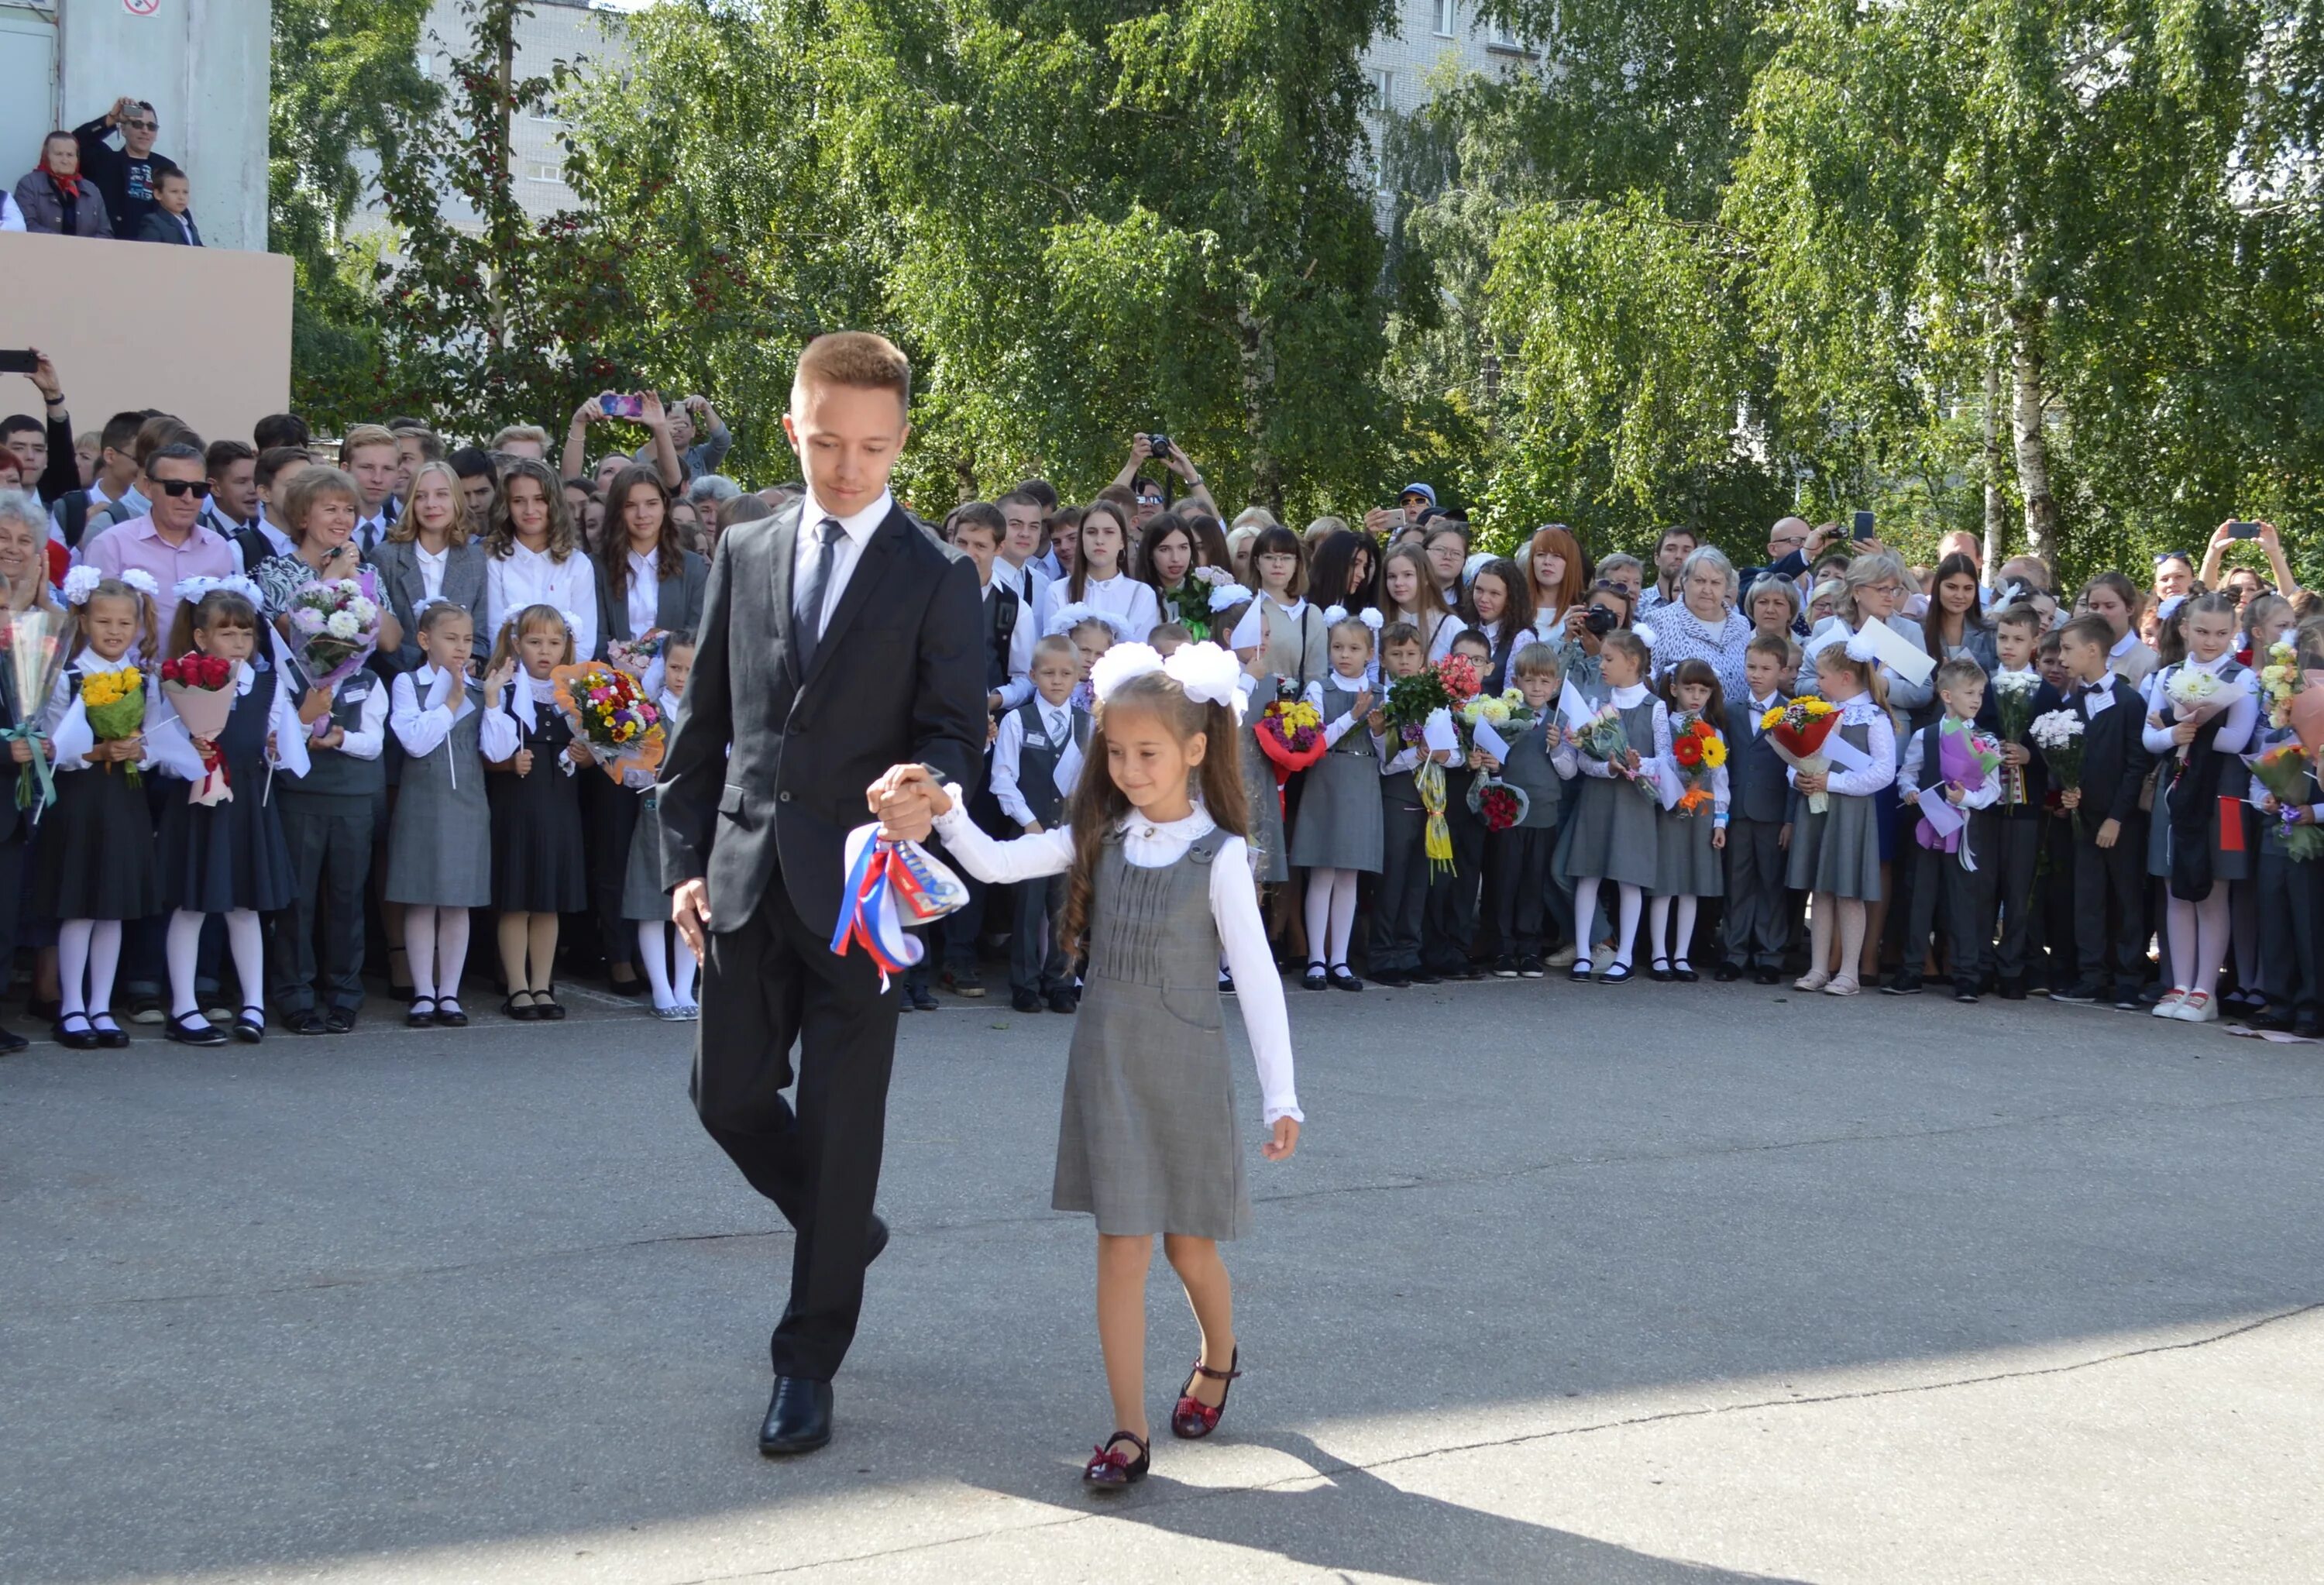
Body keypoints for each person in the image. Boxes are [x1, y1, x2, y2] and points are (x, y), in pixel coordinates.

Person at [658, 329, 986, 1458]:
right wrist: (683, 863)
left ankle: (805, 1363)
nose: (850, 467)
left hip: (863, 897)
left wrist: (928, 788)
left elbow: (955, 731)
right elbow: (704, 731)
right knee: (725, 1097)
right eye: (830, 441)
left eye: (875, 447)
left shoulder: (938, 573)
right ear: (793, 426)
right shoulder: (743, 550)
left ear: (902, 442)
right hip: (745, 880)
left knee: (845, 1134)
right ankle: (842, 1230)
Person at [875, 641, 1300, 1489]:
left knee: (1189, 1250)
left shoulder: (1218, 855)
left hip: (1183, 1067)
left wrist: (1280, 1096)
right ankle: (1127, 1430)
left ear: (1193, 749)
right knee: (1120, 1248)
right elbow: (996, 865)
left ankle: (1219, 1354)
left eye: (1148, 753)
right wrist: (947, 808)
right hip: (1107, 1064)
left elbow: (1255, 977)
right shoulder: (1097, 836)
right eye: (1116, 752)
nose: (1131, 768)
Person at [145, 583, 310, 1045]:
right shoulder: (182, 682)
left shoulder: (269, 683)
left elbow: (285, 749)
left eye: (246, 634)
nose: (239, 643)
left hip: (246, 803)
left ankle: (253, 1004)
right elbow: (157, 745)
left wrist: (276, 749)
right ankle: (183, 1007)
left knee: (245, 905)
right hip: (198, 804)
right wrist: (191, 751)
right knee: (191, 904)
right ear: (201, 638)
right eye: (227, 633)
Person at [38, 570, 163, 1048]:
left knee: (113, 907)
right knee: (81, 906)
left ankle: (101, 1006)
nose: (114, 631)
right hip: (81, 800)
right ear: (84, 621)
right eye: (104, 621)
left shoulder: (143, 680)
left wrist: (139, 750)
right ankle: (71, 1007)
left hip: (125, 799)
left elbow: (157, 740)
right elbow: (55, 746)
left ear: (138, 626)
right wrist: (97, 752)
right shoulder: (69, 677)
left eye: (124, 623)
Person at [270, 558, 390, 1036]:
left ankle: (344, 994)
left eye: (348, 637)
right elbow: (278, 746)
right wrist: (305, 717)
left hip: (354, 803)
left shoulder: (370, 681)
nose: (337, 646)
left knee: (346, 900)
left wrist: (340, 739)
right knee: (296, 903)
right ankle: (295, 995)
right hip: (301, 800)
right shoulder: (289, 678)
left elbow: (375, 742)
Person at [383, 602, 506, 1030]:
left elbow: (497, 750)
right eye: (450, 638)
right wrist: (451, 702)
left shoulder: (478, 686)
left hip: (467, 802)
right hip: (422, 801)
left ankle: (449, 993)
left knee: (457, 902)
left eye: (468, 640)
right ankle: (422, 993)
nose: (461, 647)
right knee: (421, 898)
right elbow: (415, 742)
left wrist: (489, 701)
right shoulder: (406, 684)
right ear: (425, 640)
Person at [2139, 593, 2255, 1023]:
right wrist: (2175, 733)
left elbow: (2239, 739)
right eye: (2203, 631)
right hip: (2177, 786)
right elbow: (2149, 738)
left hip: (2222, 791)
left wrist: (2188, 724)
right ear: (2185, 628)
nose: (2211, 642)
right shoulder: (2167, 673)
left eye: (2222, 634)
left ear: (2234, 633)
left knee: (2214, 888)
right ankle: (2178, 984)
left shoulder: (2243, 678)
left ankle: (2206, 989)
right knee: (2174, 885)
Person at [2050, 614, 2154, 1009]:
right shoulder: (2072, 703)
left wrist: (2116, 817)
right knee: (2087, 897)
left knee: (2127, 898)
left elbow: (2135, 765)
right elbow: (2070, 759)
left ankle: (2128, 978)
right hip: (2085, 819)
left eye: (2067, 649)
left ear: (2093, 651)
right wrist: (2068, 792)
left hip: (2120, 822)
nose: (2061, 658)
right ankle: (2091, 975)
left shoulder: (2129, 702)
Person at [1786, 632, 1898, 996]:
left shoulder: (1874, 718)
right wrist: (1798, 777)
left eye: (1821, 676)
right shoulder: (1818, 711)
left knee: (1849, 891)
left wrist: (1832, 783)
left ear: (1845, 678)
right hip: (1818, 809)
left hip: (1850, 812)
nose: (1817, 683)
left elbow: (1884, 771)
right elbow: (1794, 754)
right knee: (1821, 890)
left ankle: (1849, 972)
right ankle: (1818, 967)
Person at [1888, 659, 2002, 1001]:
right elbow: (1909, 771)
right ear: (1947, 695)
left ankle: (1966, 974)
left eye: (1981, 693)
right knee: (1919, 899)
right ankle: (1911, 970)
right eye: (1970, 693)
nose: (1977, 699)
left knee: (1963, 903)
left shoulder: (1986, 740)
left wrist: (1968, 797)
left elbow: (1993, 789)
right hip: (1928, 827)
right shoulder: (1926, 735)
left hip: (1964, 832)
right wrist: (1908, 789)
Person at [1560, 629, 1665, 983]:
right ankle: (1585, 952)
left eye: (1609, 659)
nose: (1602, 665)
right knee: (1588, 874)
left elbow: (1665, 762)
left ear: (1632, 663)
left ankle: (1625, 955)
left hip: (1633, 803)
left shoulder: (1656, 707)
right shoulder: (1597, 703)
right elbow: (1584, 759)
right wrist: (1607, 767)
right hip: (1598, 798)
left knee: (1628, 878)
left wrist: (1639, 765)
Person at [1288, 607, 1384, 991]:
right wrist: (1352, 716)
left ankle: (1340, 960)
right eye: (1338, 647)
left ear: (1370, 654)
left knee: (1349, 874)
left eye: (1354, 648)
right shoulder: (1319, 690)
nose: (1345, 655)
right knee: (1322, 873)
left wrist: (1377, 730)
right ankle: (1315, 959)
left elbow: (1385, 753)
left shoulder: (1382, 694)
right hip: (1327, 778)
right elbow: (1314, 741)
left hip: (1362, 782)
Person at [992, 634, 1088, 1014]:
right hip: (1030, 833)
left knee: (1066, 910)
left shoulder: (1088, 724)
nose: (1056, 680)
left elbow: (1090, 783)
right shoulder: (1018, 720)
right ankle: (1025, 984)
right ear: (1033, 675)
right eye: (1048, 673)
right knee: (1028, 911)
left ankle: (1061, 982)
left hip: (1068, 835)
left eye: (1066, 673)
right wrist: (1029, 823)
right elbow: (1002, 778)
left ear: (1079, 676)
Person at [1483, 642, 1577, 978]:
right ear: (1517, 682)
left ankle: (1529, 947)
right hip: (1507, 811)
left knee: (1534, 884)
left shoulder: (1558, 722)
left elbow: (1569, 771)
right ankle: (1503, 948)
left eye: (1544, 682)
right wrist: (1493, 766)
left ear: (1555, 685)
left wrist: (1556, 749)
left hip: (1544, 813)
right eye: (1530, 681)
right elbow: (1490, 763)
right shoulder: (1506, 717)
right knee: (1504, 880)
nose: (1537, 688)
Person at [79, 442, 235, 638]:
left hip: (204, 668)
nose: (188, 498)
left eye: (198, 489)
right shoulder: (111, 544)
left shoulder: (219, 548)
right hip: (130, 668)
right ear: (148, 488)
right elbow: (94, 626)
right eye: (175, 487)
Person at [1982, 605, 2058, 999]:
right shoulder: (1982, 686)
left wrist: (2030, 756)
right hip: (1985, 802)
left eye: (2017, 640)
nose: (2008, 646)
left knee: (2017, 887)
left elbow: (2057, 745)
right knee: (1983, 885)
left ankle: (2012, 967)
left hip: (2025, 805)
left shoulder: (2046, 693)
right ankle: (1978, 963)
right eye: (2002, 638)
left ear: (2034, 644)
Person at [623, 635, 698, 1019]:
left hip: (696, 817)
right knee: (652, 904)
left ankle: (685, 989)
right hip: (654, 813)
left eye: (689, 669)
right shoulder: (647, 713)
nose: (681, 677)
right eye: (674, 668)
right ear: (662, 666)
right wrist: (645, 772)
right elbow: (629, 772)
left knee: (690, 903)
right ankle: (662, 990)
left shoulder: (707, 712)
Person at [1717, 633, 1795, 984]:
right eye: (1751, 667)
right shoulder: (1730, 710)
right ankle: (1734, 953)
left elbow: (1799, 769)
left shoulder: (1795, 712)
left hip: (1774, 811)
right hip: (1737, 810)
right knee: (1737, 882)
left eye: (1765, 668)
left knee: (1771, 884)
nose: (1757, 674)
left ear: (1782, 670)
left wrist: (1790, 819)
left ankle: (1769, 956)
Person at [1647, 656, 1728, 980]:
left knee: (1691, 885)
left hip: (1702, 812)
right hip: (1670, 810)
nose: (1696, 696)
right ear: (1673, 688)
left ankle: (1682, 955)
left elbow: (1720, 778)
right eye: (1689, 688)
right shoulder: (1663, 724)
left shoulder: (1714, 732)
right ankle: (1658, 954)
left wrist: (1721, 820)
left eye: (1703, 691)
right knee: (1665, 884)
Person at [482, 458, 600, 662]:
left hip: (563, 682)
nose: (529, 510)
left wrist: (560, 682)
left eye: (539, 499)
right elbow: (494, 630)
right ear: (506, 505)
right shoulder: (494, 560)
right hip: (508, 677)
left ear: (553, 502)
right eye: (519, 501)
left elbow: (584, 638)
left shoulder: (577, 564)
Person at [374, 460, 486, 670]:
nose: (431, 504)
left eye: (442, 494)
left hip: (460, 682)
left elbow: (481, 633)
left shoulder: (476, 559)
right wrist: (425, 665)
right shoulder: (385, 557)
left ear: (456, 500)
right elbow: (378, 636)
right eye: (421, 496)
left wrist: (474, 660)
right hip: (398, 681)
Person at [1039, 500, 1159, 641]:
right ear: (1082, 539)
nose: (1099, 540)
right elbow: (1054, 651)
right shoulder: (1058, 591)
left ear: (1122, 541)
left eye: (1109, 532)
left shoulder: (1141, 594)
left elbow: (1141, 655)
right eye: (1091, 532)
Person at [1648, 545, 1752, 703]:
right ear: (1684, 581)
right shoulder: (1659, 622)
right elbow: (1649, 687)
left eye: (1716, 583)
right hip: (1682, 726)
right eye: (1700, 581)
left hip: (1740, 725)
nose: (1707, 589)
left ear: (1726, 587)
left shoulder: (1742, 625)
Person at [71, 98, 167, 238]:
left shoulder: (166, 167)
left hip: (155, 248)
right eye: (138, 124)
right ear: (123, 129)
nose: (145, 131)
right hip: (112, 245)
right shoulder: (104, 160)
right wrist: (112, 119)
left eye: (151, 126)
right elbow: (76, 141)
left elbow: (178, 211)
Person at [1377, 542, 1464, 661]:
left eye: (1407, 575)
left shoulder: (1452, 627)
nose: (1398, 583)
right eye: (1392, 576)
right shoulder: (1377, 623)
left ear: (1426, 578)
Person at [14, 130, 111, 238]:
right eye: (58, 154)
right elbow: (27, 226)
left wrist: (84, 249)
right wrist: (64, 245)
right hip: (42, 253)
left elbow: (105, 233)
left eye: (70, 155)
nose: (65, 161)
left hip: (85, 253)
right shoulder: (29, 184)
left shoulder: (92, 190)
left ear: (77, 159)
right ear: (46, 156)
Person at [1459, 558, 1535, 693]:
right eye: (1479, 590)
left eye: (1494, 594)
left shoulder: (1522, 638)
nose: (1483, 599)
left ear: (1510, 598)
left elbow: (1513, 696)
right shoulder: (1466, 627)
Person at [2079, 571, 2157, 686]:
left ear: (2130, 608)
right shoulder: (2079, 653)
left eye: (2109, 606)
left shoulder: (2149, 662)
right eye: (2094, 607)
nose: (2100, 613)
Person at [2196, 518, 2299, 602]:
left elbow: (2291, 595)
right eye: (2235, 588)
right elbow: (2204, 594)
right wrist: (2213, 551)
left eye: (2251, 589)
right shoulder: (2214, 619)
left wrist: (2274, 551)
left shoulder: (2268, 623)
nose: (2243, 594)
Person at [1522, 525, 1587, 630]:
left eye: (1557, 556)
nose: (1547, 562)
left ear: (1570, 562)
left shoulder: (1583, 607)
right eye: (1541, 554)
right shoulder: (1514, 605)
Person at [1635, 526, 1698, 619]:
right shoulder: (1636, 602)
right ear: (1657, 558)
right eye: (1671, 549)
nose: (1679, 556)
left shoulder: (1705, 604)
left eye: (1686, 551)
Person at [133, 163, 201, 245]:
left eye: (185, 192)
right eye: (174, 192)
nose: (181, 197)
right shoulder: (153, 222)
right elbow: (149, 253)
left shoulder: (190, 225)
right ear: (158, 194)